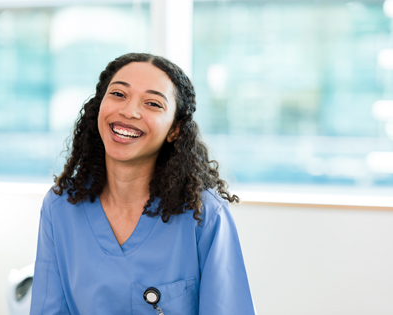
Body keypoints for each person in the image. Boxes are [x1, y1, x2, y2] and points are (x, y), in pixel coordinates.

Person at [30, 53, 256, 314]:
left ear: (175, 130)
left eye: (152, 103)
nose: (129, 111)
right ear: (98, 108)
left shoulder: (202, 215)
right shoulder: (60, 208)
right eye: (118, 94)